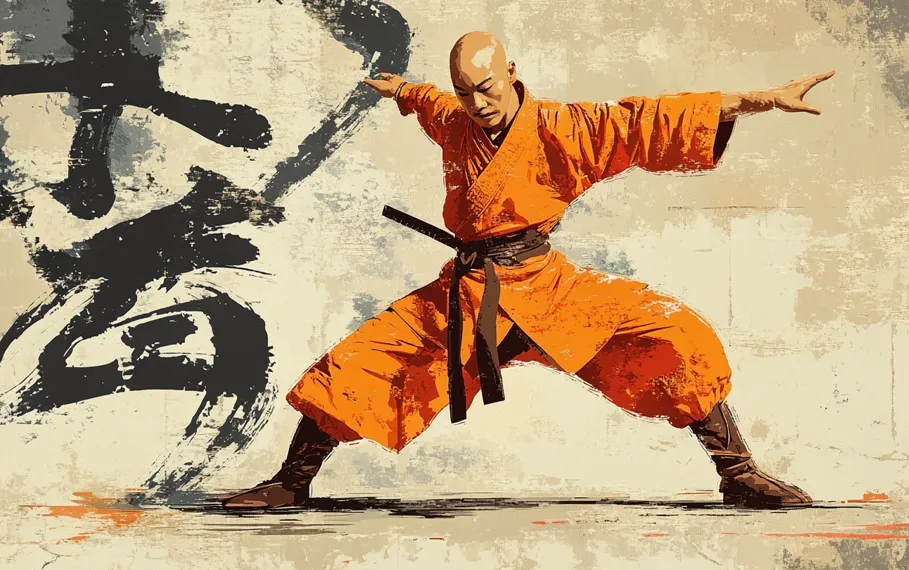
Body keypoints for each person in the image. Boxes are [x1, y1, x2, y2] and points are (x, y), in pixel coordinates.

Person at [222, 31, 833, 510]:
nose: (477, 103)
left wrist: (758, 100)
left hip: (547, 290)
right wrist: (404, 90)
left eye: (487, 87)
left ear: (512, 73)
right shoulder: (458, 120)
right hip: (467, 294)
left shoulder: (566, 129)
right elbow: (431, 102)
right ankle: (291, 482)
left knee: (676, 335)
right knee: (365, 358)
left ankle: (739, 473)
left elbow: (646, 119)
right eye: (465, 92)